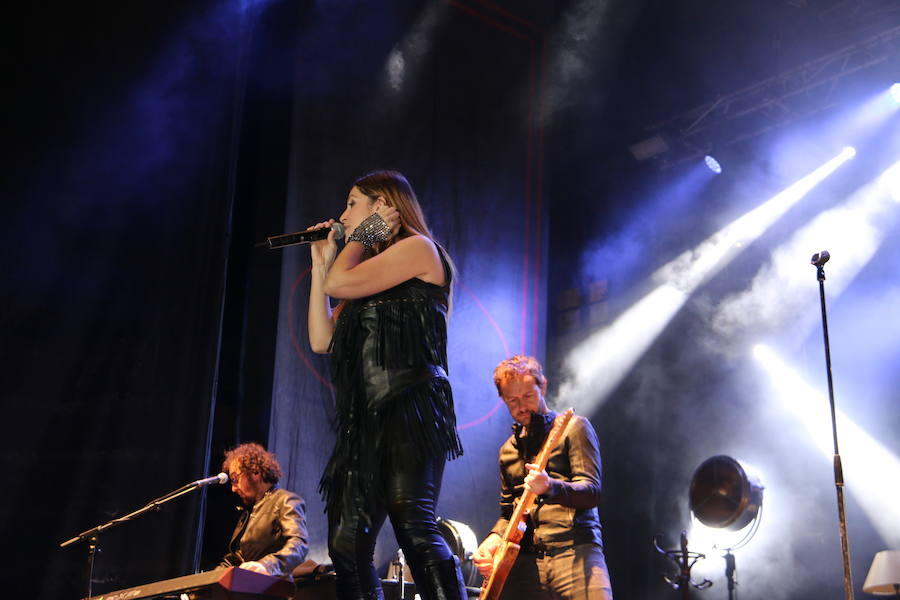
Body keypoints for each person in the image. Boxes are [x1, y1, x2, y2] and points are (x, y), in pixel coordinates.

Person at [306, 170, 467, 600]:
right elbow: (322, 340)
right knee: (345, 542)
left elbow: (340, 282)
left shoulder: (419, 250)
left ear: (383, 206)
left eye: (352, 203)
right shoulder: (362, 275)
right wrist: (322, 262)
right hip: (367, 421)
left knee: (412, 523)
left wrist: (361, 238)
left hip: (408, 405)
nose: (342, 215)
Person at [472, 355, 613, 600]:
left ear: (543, 386)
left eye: (527, 396)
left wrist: (550, 486)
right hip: (526, 565)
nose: (521, 406)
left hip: (575, 553)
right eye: (512, 400)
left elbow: (591, 492)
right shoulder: (507, 451)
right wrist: (493, 538)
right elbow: (508, 513)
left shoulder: (574, 428)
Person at [219, 443, 309, 580]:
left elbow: (298, 544)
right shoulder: (247, 513)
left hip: (273, 587)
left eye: (235, 479)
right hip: (247, 587)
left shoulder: (285, 500)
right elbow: (237, 558)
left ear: (255, 472)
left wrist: (267, 566)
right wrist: (205, 581)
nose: (233, 488)